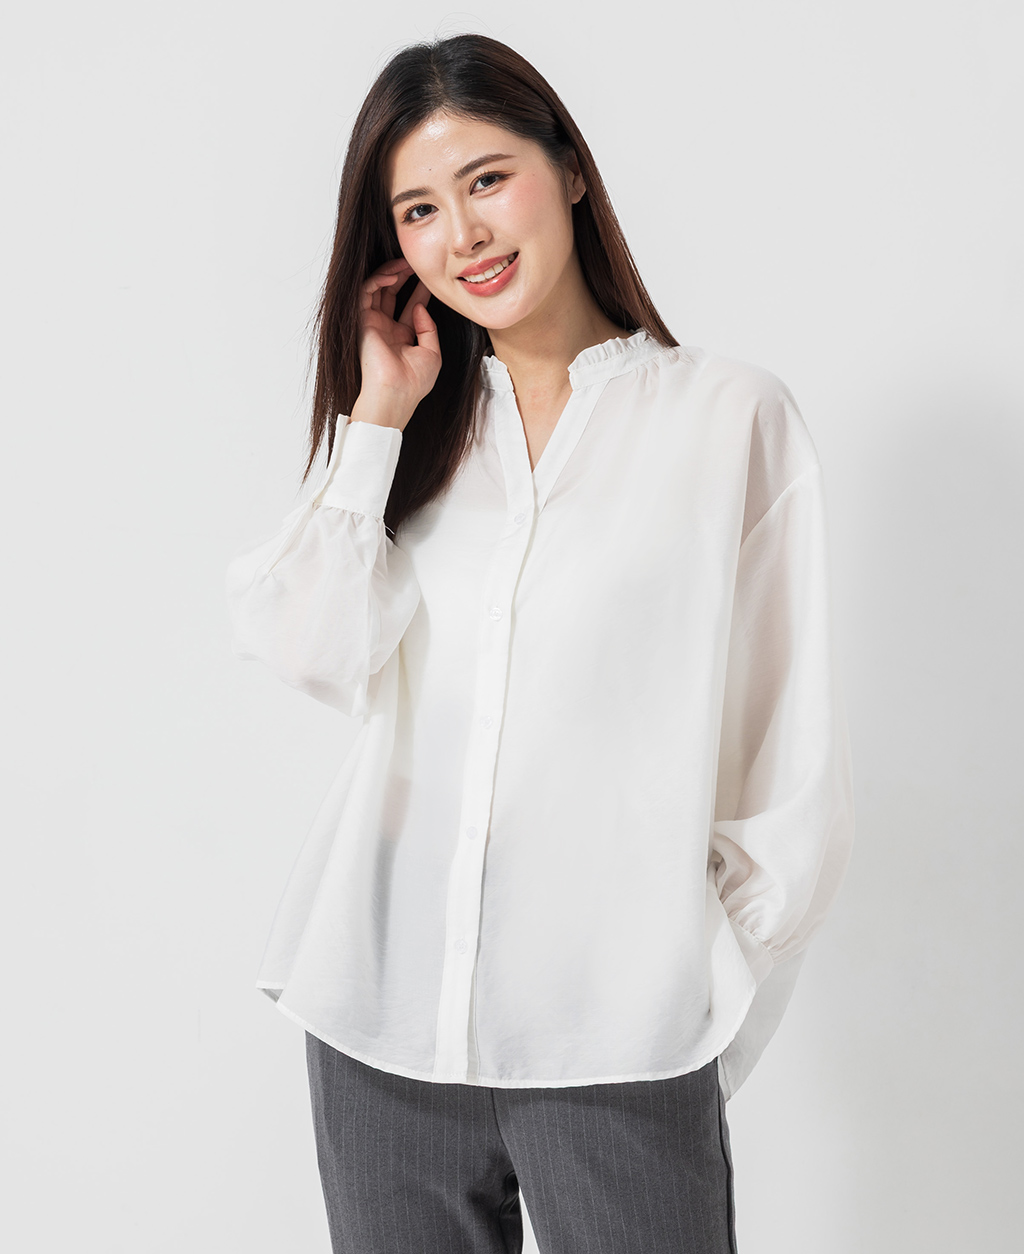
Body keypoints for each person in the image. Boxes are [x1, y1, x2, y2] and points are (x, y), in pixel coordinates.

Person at [226, 31, 855, 1254]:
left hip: (617, 1033)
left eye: (486, 179)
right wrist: (376, 419)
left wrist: (693, 980)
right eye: (418, 209)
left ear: (567, 169)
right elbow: (313, 651)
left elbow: (788, 758)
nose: (461, 233)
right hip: (381, 1021)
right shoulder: (417, 435)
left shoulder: (729, 419)